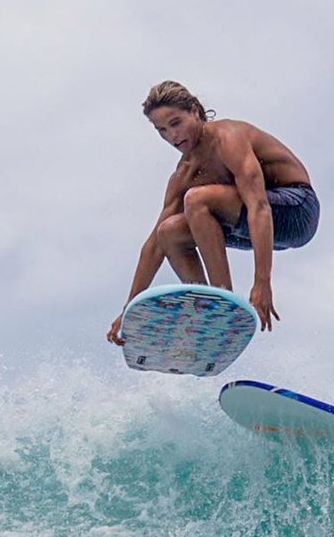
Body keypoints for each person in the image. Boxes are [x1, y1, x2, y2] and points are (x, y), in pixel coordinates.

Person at [107, 81, 319, 345]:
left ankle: (223, 301)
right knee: (168, 232)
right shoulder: (184, 173)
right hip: (252, 227)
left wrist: (262, 282)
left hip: (297, 210)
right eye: (161, 130)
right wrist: (128, 309)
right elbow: (153, 247)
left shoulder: (228, 139)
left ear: (195, 111)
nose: (172, 136)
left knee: (196, 199)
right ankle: (210, 310)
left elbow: (259, 206)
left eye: (176, 123)